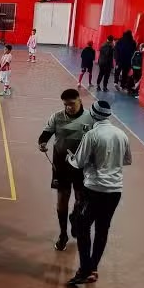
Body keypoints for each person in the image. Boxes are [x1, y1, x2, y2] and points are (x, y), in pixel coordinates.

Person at [66, 100, 131, 286]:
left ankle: (84, 269)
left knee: (82, 226)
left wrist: (71, 158)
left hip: (94, 189)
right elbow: (126, 160)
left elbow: (78, 162)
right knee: (102, 229)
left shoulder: (92, 135)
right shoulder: (122, 134)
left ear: (93, 115)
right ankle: (93, 268)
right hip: (115, 191)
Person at [38, 89, 94, 251]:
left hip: (82, 167)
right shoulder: (57, 117)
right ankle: (63, 234)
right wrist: (42, 143)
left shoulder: (90, 118)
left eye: (71, 104)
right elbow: (45, 134)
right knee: (62, 200)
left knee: (80, 200)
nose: (68, 107)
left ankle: (75, 218)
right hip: (61, 166)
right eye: (65, 105)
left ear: (79, 101)